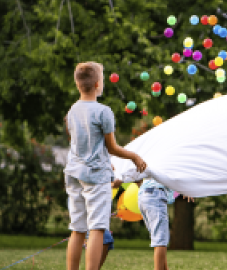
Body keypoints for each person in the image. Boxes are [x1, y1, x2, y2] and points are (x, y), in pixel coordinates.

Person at [64, 61, 146, 270]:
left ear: (77, 84)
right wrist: (134, 157)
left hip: (73, 173)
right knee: (97, 229)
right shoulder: (104, 112)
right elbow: (112, 147)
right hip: (95, 176)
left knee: (77, 229)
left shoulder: (72, 110)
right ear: (99, 84)